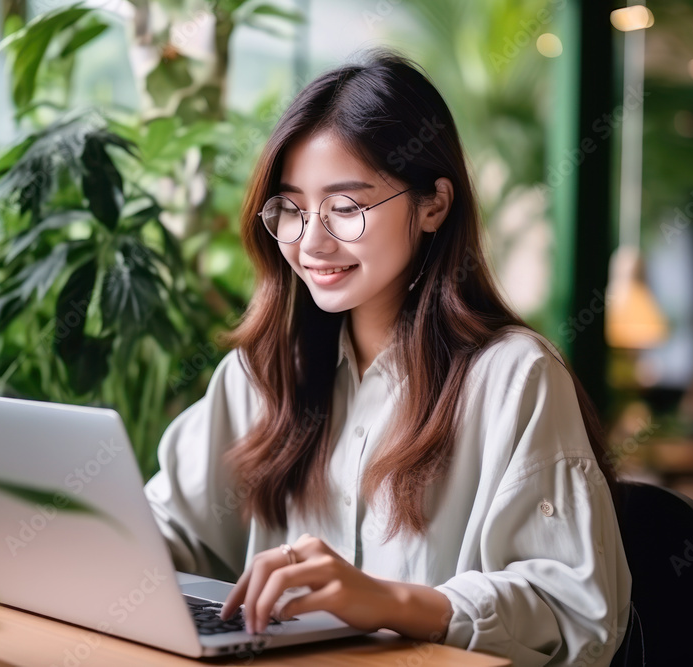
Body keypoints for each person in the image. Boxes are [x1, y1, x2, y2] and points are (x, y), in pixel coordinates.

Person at [143, 49, 632, 666]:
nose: (311, 241)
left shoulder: (513, 377)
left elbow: (574, 612)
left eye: (346, 208)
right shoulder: (263, 372)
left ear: (433, 205)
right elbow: (171, 531)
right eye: (291, 209)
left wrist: (387, 601)